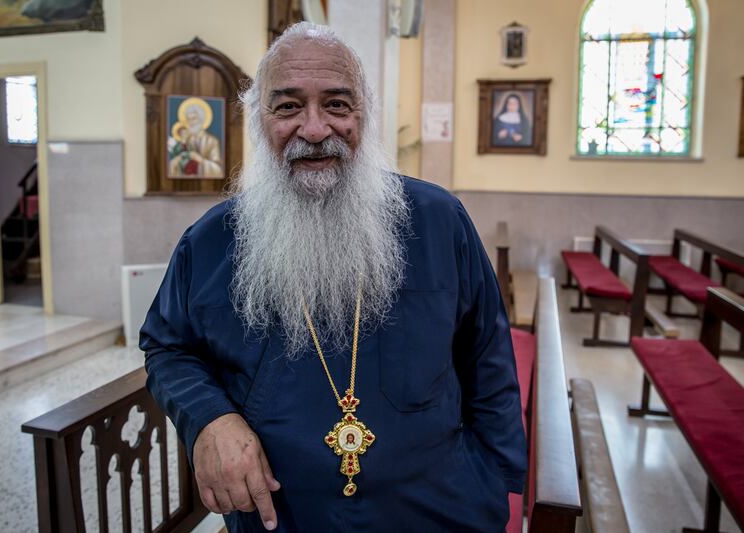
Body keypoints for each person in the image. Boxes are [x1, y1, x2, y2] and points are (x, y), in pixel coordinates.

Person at [141, 22, 526, 533]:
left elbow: (488, 356)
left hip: (438, 509)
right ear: (260, 119)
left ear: (364, 115)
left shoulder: (438, 220)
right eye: (288, 106)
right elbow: (168, 347)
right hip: (286, 516)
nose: (315, 128)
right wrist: (210, 417)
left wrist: (493, 483)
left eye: (337, 105)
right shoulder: (210, 242)